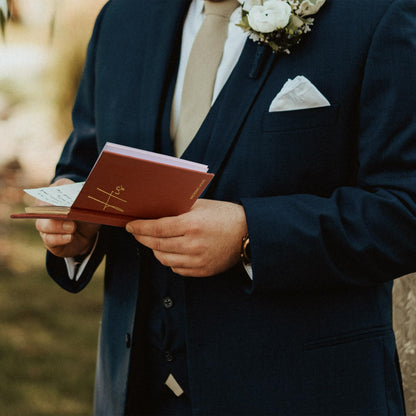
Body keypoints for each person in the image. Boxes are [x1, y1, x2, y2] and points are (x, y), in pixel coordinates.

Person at [35, 0, 416, 414]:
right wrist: (76, 228)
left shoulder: (381, 13)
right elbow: (85, 162)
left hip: (302, 392)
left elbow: (404, 208)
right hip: (135, 395)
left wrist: (251, 235)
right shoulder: (123, 16)